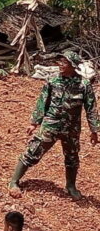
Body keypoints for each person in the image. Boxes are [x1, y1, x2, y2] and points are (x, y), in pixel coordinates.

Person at [8, 54, 99, 199]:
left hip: (71, 129)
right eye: (60, 61)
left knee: (72, 158)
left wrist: (94, 130)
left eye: (64, 62)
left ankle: (71, 186)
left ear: (73, 65)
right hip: (51, 125)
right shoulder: (53, 81)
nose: (60, 64)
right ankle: (14, 181)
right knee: (33, 151)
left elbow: (91, 108)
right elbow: (42, 101)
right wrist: (34, 123)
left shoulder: (84, 85)